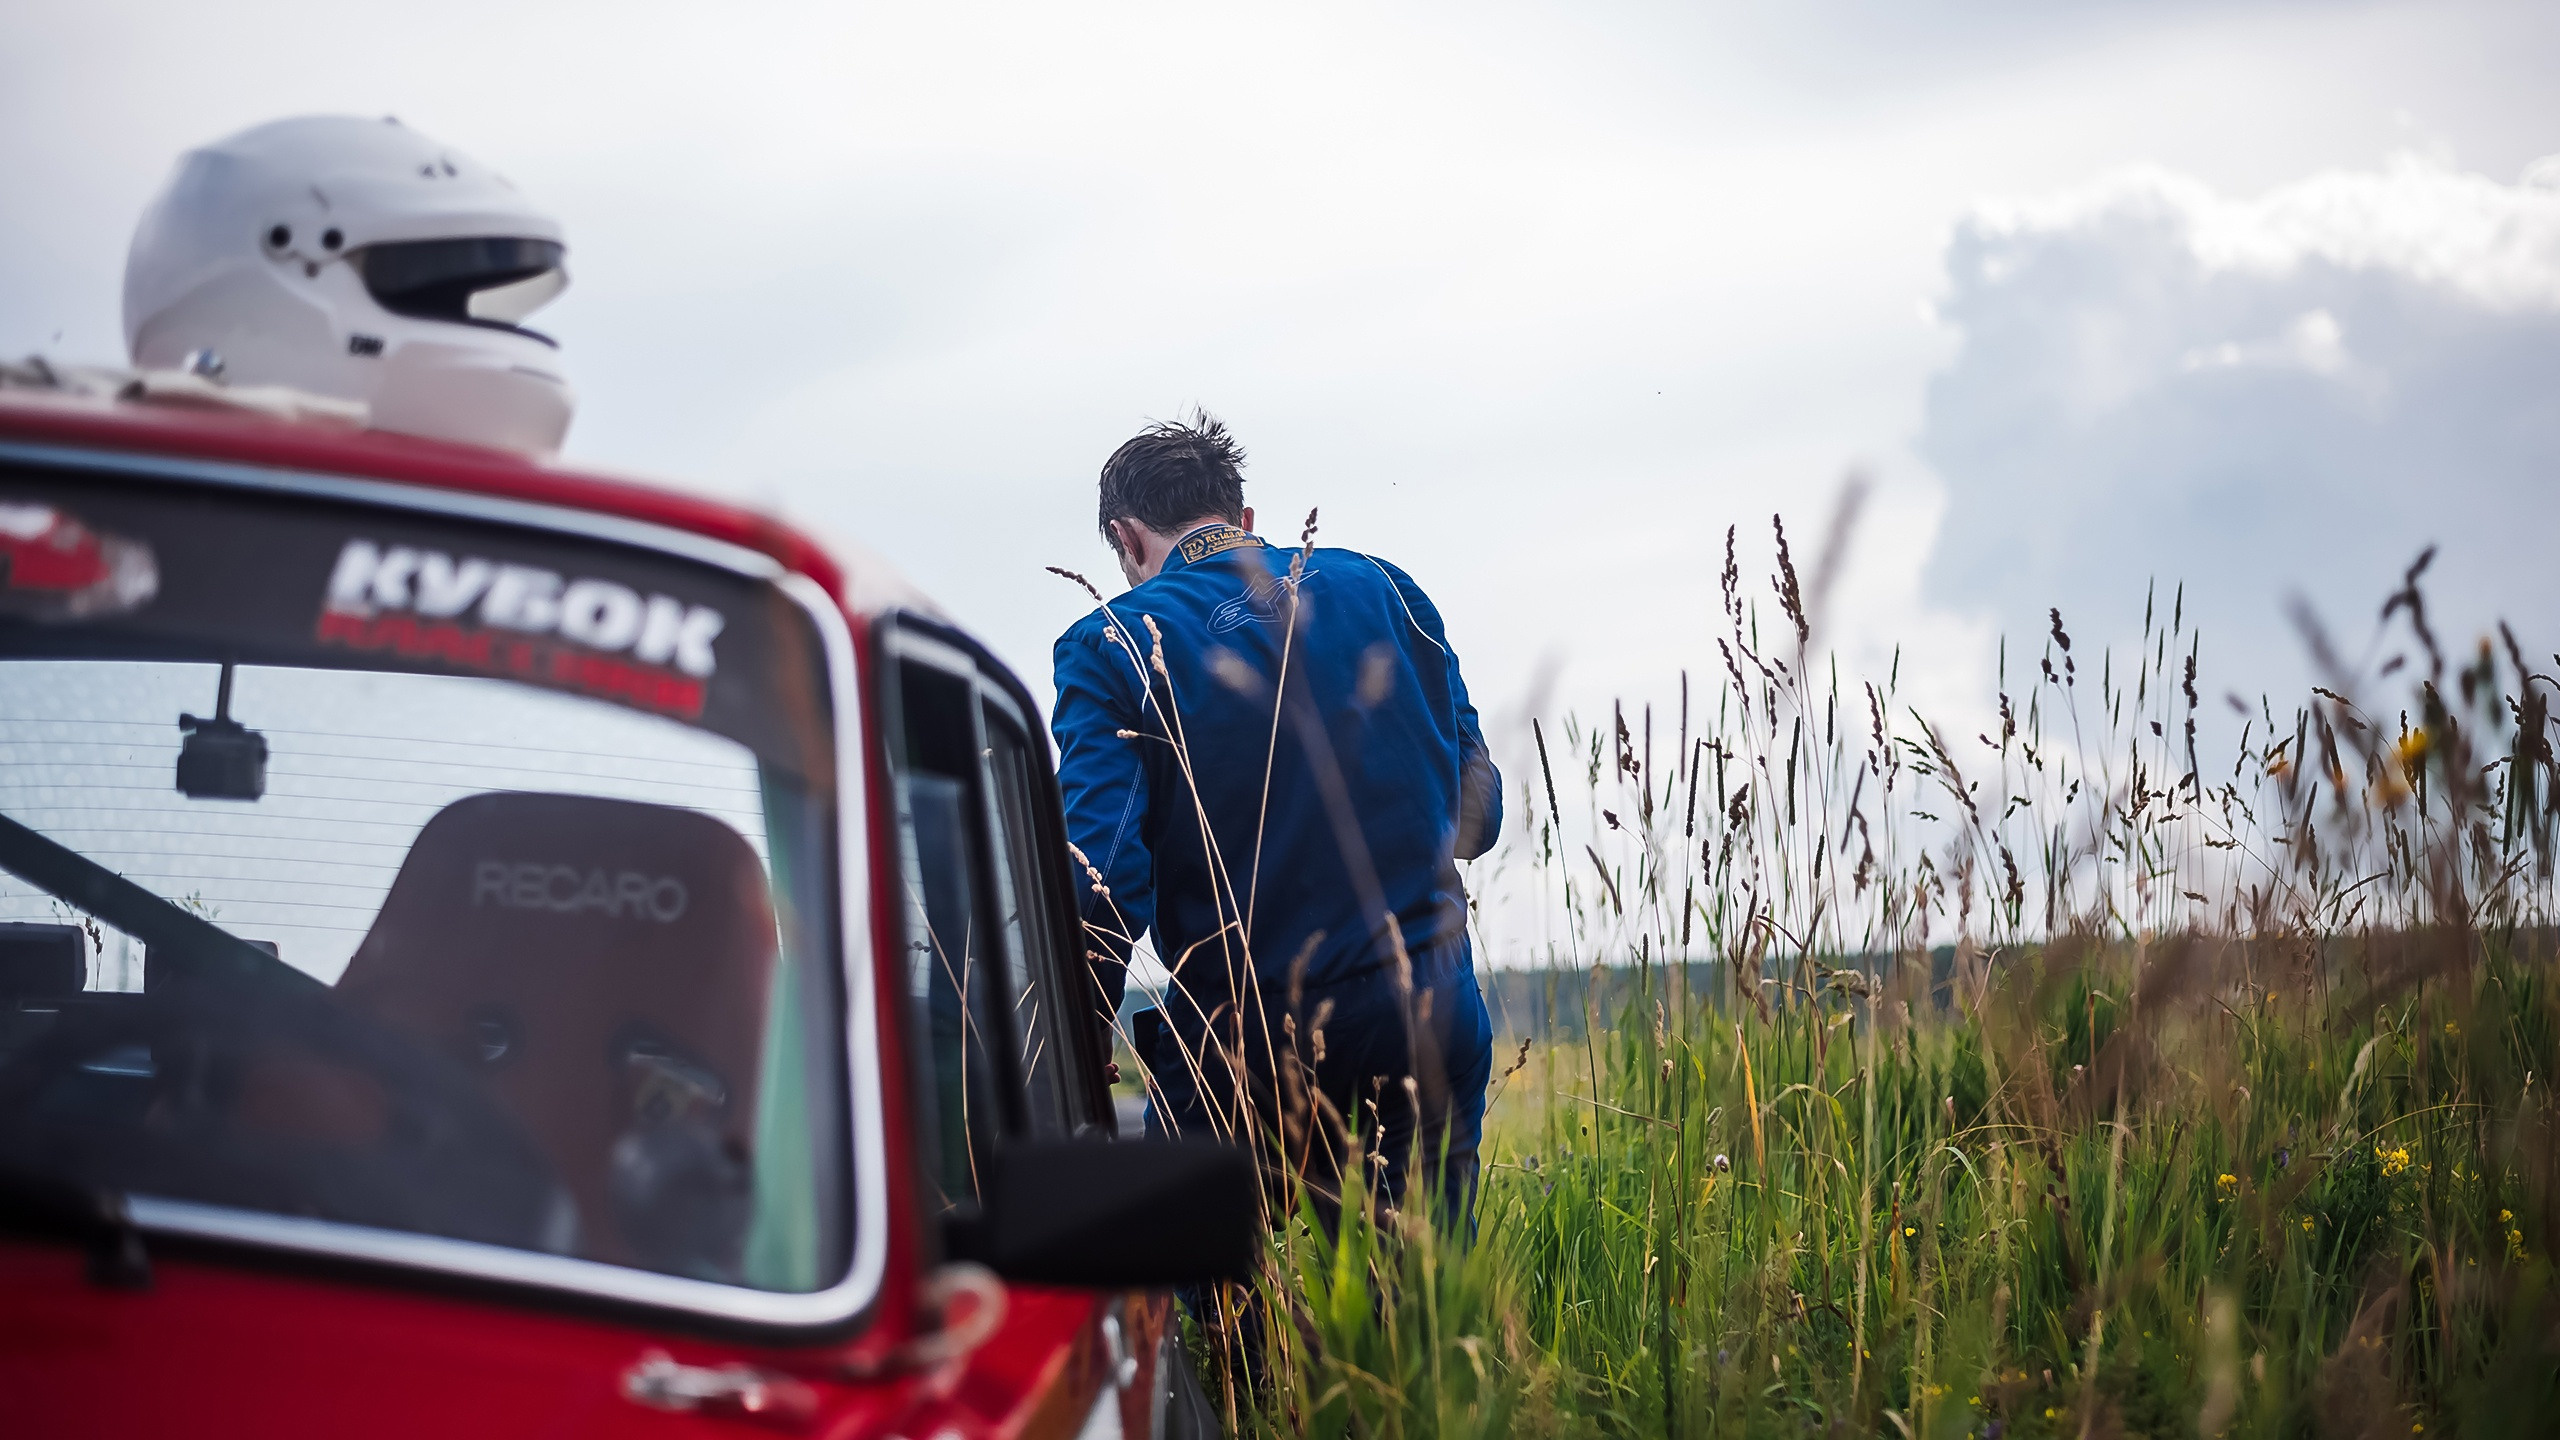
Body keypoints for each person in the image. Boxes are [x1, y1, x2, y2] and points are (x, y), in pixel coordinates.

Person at [1050, 412, 1500, 1226]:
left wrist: (1077, 1029)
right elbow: (1480, 810)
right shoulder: (1390, 587)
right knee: (1433, 1317)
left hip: (1248, 1040)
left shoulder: (1110, 643)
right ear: (1243, 519)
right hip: (1429, 1009)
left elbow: (1105, 876)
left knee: (1226, 1316)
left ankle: (1242, 1359)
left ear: (1125, 537)